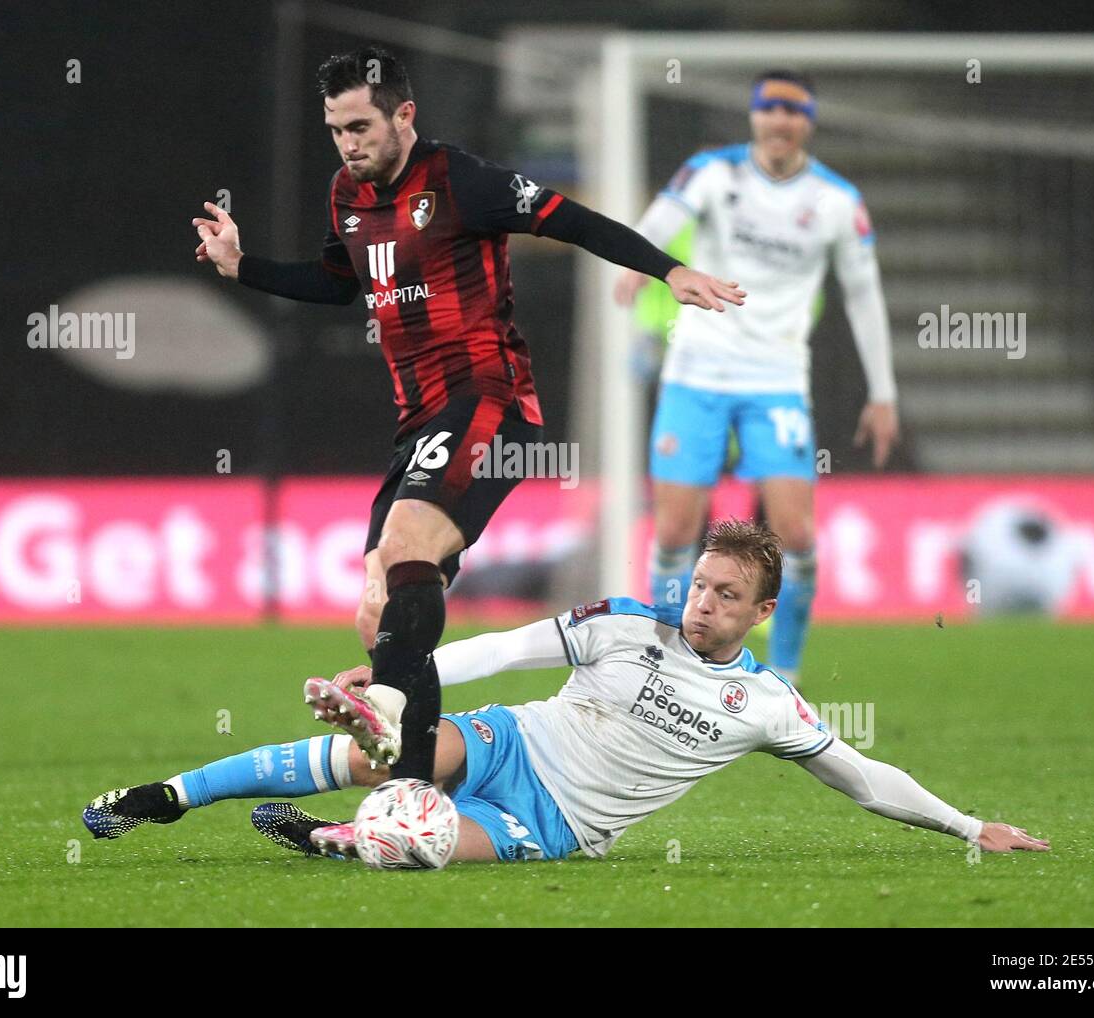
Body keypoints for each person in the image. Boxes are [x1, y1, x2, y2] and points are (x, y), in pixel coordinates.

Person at [192, 46, 744, 784]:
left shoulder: (464, 182)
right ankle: (415, 792)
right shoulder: (347, 197)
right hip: (418, 420)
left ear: (404, 115)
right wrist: (241, 266)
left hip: (489, 398)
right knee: (378, 610)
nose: (348, 143)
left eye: (360, 125)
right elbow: (334, 283)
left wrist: (668, 270)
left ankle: (387, 707)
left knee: (407, 541)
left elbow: (571, 220)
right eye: (335, 129)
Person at [82, 519, 1048, 864]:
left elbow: (863, 778)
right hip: (513, 742)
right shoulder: (627, 621)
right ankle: (164, 797)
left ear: (760, 616)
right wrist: (390, 677)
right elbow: (502, 650)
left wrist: (972, 830)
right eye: (701, 583)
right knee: (373, 750)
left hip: (558, 827)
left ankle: (342, 838)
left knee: (410, 845)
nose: (702, 602)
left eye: (726, 596)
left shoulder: (766, 707)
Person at [615, 70, 899, 687]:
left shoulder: (835, 200)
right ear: (753, 116)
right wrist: (643, 264)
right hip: (696, 372)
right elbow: (661, 221)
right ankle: (661, 661)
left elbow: (864, 295)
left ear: (809, 122)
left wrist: (883, 392)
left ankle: (786, 676)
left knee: (796, 535)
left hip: (776, 382)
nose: (780, 119)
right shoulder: (714, 173)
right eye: (769, 107)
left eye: (793, 110)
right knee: (674, 530)